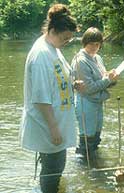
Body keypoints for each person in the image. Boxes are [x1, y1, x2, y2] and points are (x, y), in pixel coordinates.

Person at [19, 4, 82, 193]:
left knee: (54, 166)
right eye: (65, 38)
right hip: (47, 124)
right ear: (53, 31)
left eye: (69, 39)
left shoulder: (53, 47)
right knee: (53, 168)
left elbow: (56, 79)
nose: (67, 42)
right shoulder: (40, 54)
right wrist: (53, 128)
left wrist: (72, 84)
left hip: (56, 121)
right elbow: (40, 98)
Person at [71, 27, 119, 160]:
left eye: (97, 44)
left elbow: (102, 80)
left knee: (96, 137)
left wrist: (112, 79)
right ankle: (84, 169)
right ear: (85, 42)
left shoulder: (97, 58)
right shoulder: (80, 60)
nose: (94, 47)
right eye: (91, 43)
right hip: (85, 103)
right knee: (86, 139)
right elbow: (89, 88)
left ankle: (94, 165)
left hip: (97, 102)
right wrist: (108, 79)